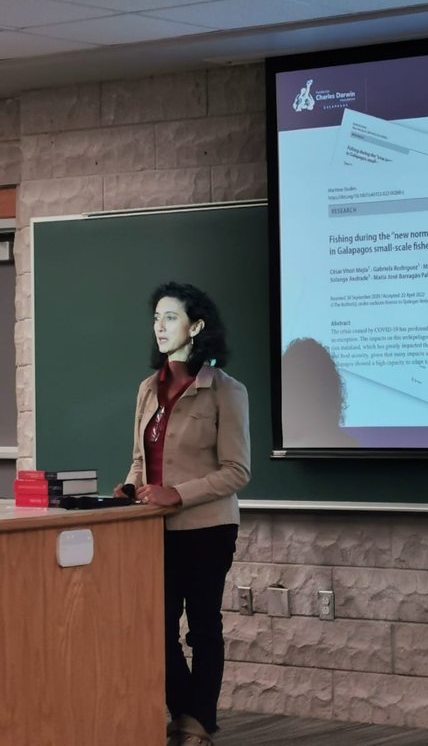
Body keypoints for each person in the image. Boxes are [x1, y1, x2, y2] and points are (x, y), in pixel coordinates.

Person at [115, 282, 250, 746]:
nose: (159, 326)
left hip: (209, 528)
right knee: (158, 626)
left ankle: (196, 722)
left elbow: (237, 471)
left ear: (196, 326)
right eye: (156, 318)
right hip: (154, 530)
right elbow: (140, 458)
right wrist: (132, 486)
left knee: (204, 628)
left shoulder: (226, 392)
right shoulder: (146, 390)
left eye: (170, 317)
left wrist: (176, 493)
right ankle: (187, 714)